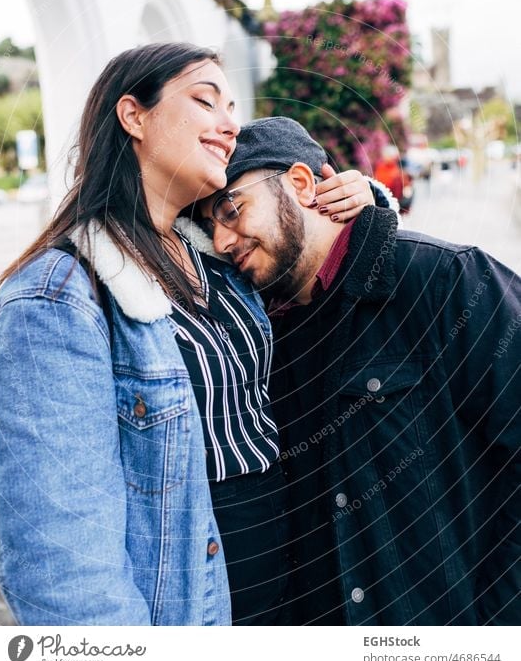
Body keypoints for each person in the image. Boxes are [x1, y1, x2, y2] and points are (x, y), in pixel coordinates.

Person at [0, 44, 378, 626]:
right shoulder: (57, 297)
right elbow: (63, 560)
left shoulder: (218, 261)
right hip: (186, 612)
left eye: (232, 106)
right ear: (134, 115)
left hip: (290, 598)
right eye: (205, 101)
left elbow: (323, 271)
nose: (229, 124)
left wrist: (369, 209)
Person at [198, 116, 521, 626]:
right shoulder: (252, 338)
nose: (221, 239)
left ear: (302, 184)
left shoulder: (443, 281)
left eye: (230, 209)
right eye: (207, 225)